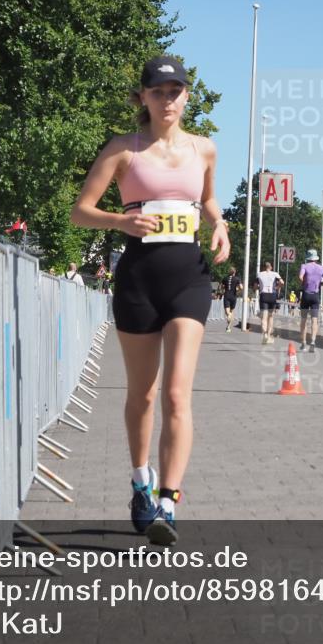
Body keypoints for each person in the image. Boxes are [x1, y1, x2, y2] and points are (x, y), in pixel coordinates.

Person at [70, 55, 230, 545]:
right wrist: (120, 221)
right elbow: (81, 212)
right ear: (142, 97)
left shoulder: (205, 150)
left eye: (176, 91)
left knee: (178, 394)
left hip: (189, 278)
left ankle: (168, 502)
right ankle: (141, 483)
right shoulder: (124, 150)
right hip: (138, 278)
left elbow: (205, 200)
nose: (168, 100)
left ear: (186, 96)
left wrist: (219, 224)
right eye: (158, 92)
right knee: (142, 395)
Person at [298, 248, 323, 352]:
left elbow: (300, 277)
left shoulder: (304, 266)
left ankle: (303, 343)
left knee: (303, 320)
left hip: (306, 295)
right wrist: (321, 284)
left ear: (308, 258)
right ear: (316, 258)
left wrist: (304, 282)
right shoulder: (322, 268)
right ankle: (313, 341)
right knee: (314, 320)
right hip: (315, 296)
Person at [255, 261, 284, 344]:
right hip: (272, 295)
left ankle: (264, 334)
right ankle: (268, 335)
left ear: (264, 267)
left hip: (263, 295)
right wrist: (277, 287)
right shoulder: (275, 274)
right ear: (270, 267)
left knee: (264, 317)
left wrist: (259, 288)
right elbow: (282, 282)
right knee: (270, 317)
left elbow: (255, 286)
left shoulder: (259, 274)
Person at [220, 265, 241, 332]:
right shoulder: (237, 279)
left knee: (227, 312)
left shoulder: (225, 278)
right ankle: (228, 327)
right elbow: (241, 287)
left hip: (227, 296)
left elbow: (221, 287)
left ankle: (228, 325)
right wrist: (237, 289)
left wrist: (223, 290)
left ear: (229, 272)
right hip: (234, 296)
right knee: (231, 312)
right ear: (234, 272)